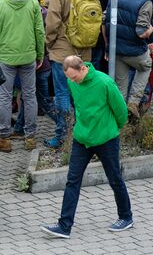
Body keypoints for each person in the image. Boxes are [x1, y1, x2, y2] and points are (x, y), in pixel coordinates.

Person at [40, 56, 132, 239]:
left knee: (115, 178)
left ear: (83, 69)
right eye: (69, 78)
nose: (72, 81)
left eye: (74, 77)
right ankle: (64, 226)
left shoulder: (105, 82)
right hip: (82, 138)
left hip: (106, 138)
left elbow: (121, 110)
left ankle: (126, 217)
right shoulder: (72, 82)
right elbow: (78, 106)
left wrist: (113, 128)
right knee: (72, 180)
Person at [45, 0, 101, 146]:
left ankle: (63, 135)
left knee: (62, 93)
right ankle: (82, 130)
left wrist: (49, 42)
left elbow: (52, 21)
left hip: (62, 50)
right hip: (85, 48)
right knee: (81, 93)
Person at [0, 0, 44, 152]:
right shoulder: (32, 1)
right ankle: (30, 137)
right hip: (28, 55)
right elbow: (39, 30)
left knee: (4, 97)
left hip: (5, 57)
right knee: (29, 96)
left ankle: (4, 138)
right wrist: (40, 53)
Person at [106, 0, 153, 118]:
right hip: (135, 50)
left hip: (116, 49)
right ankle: (133, 102)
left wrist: (108, 46)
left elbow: (104, 21)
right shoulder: (146, 1)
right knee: (146, 66)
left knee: (120, 86)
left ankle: (119, 120)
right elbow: (141, 31)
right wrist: (152, 25)